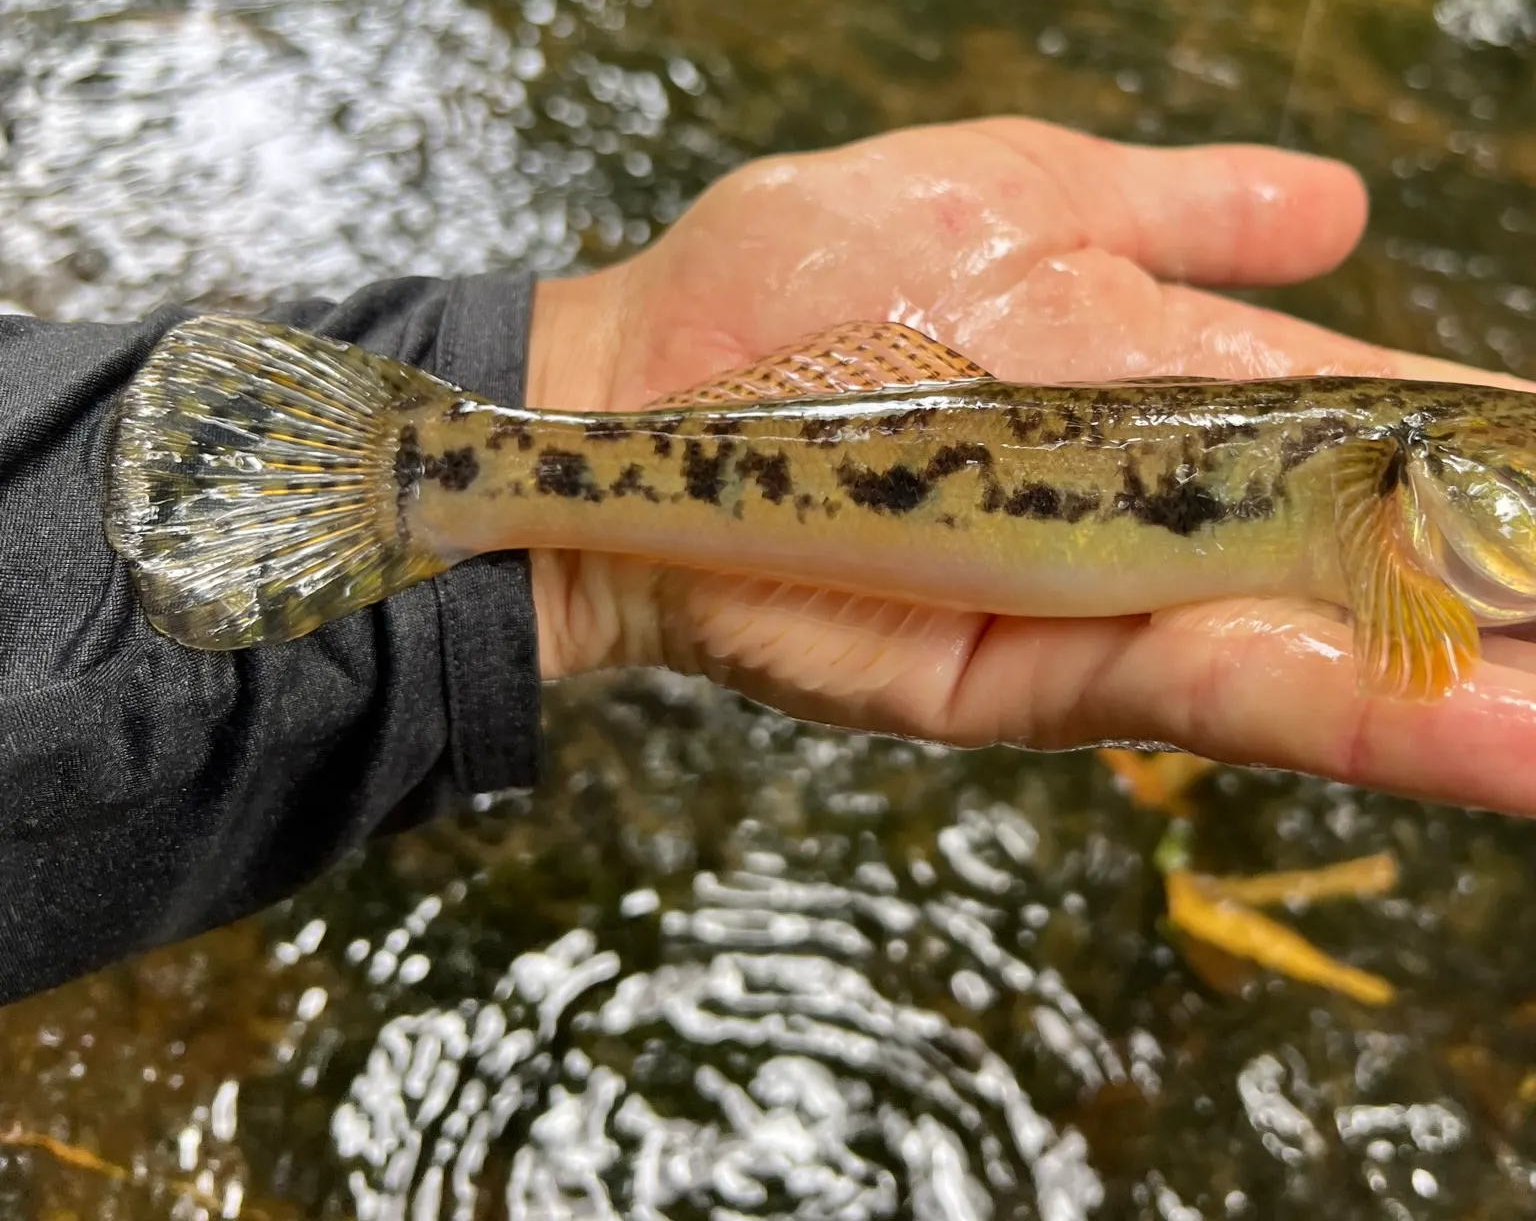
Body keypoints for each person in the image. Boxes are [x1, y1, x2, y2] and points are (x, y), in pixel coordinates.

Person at [3, 115, 1533, 1008]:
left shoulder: (1393, 469)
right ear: (1428, 484)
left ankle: (448, 467)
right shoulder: (1390, 490)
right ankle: (443, 467)